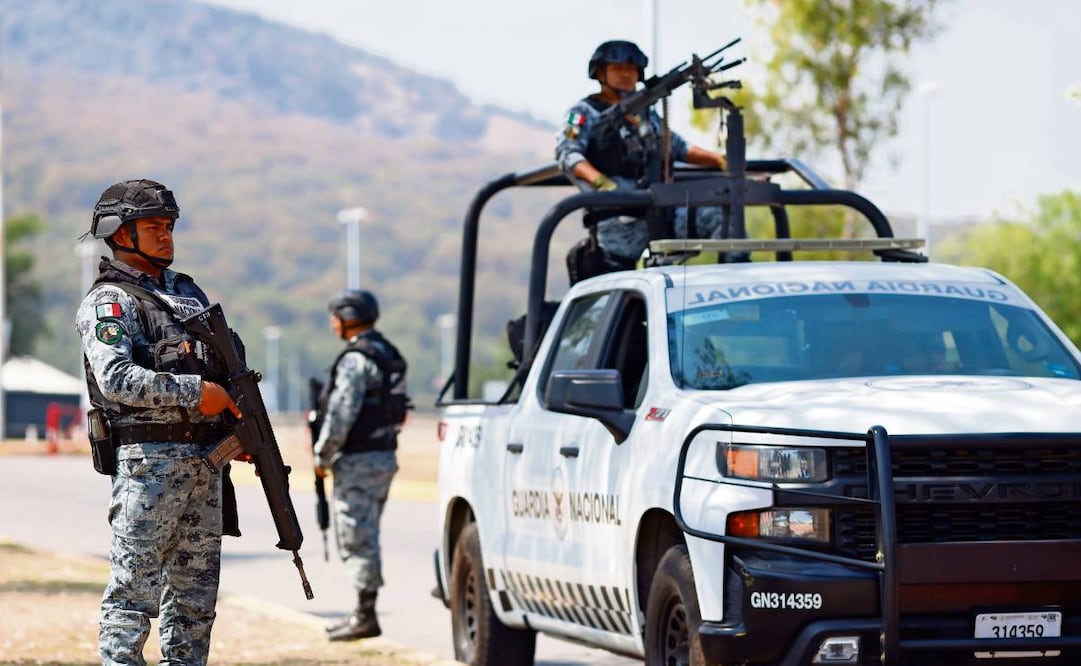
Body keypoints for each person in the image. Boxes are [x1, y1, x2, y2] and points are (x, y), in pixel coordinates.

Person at [74, 178, 244, 665]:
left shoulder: (186, 293)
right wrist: (199, 393)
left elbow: (227, 368)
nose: (166, 235)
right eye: (153, 227)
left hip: (206, 466)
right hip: (148, 467)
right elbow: (116, 379)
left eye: (169, 226)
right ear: (121, 233)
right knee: (133, 599)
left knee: (195, 604)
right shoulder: (110, 301)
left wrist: (238, 428)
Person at [556, 39, 737, 281]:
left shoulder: (644, 113)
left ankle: (730, 287)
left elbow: (677, 147)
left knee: (723, 217)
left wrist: (721, 161)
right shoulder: (583, 113)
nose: (626, 76)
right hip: (618, 220)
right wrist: (601, 183)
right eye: (618, 69)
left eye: (631, 71)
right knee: (618, 292)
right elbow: (568, 154)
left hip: (659, 211)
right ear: (601, 73)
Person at [313, 289, 410, 642]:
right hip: (383, 455)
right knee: (366, 534)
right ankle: (362, 611)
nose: (332, 323)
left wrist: (322, 455)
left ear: (348, 317)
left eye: (335, 316)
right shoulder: (388, 354)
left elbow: (342, 412)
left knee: (357, 536)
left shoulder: (356, 359)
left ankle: (365, 615)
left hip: (357, 460)